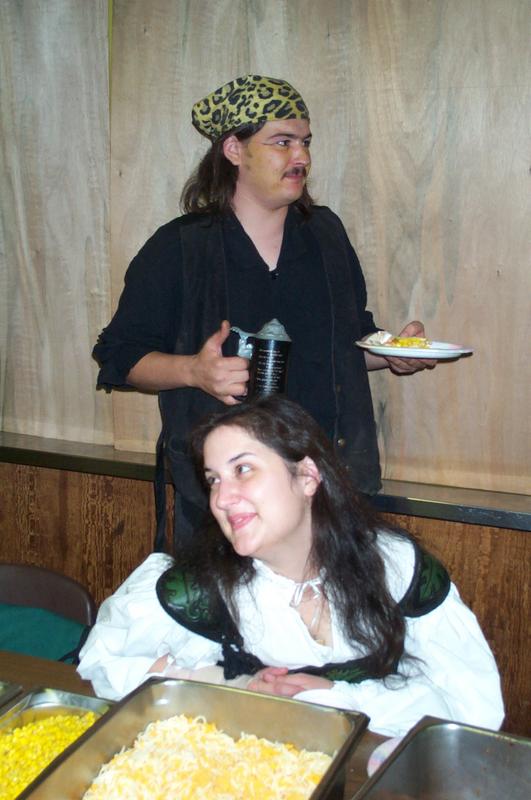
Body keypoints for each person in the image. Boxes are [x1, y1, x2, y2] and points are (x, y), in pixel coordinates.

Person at [93, 74, 435, 547]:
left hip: (327, 493)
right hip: (226, 508)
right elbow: (119, 355)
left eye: (305, 142)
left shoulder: (326, 236)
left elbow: (345, 344)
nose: (302, 157)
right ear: (234, 149)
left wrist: (395, 351)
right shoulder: (180, 248)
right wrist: (194, 371)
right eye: (282, 142)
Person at [77, 397, 504, 737]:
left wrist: (340, 697)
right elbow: (102, 661)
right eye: (213, 479)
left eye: (243, 469)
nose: (221, 498)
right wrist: (232, 687)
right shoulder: (202, 587)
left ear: (307, 477)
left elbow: (472, 708)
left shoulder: (395, 569)